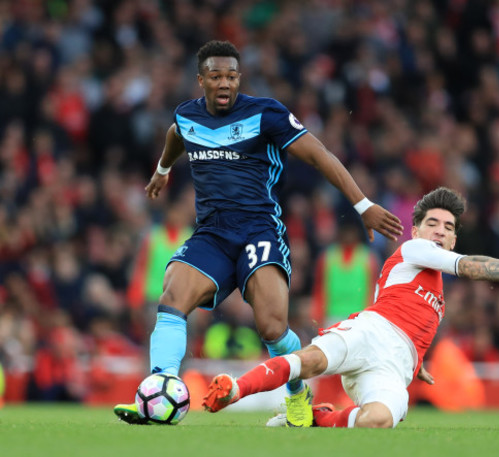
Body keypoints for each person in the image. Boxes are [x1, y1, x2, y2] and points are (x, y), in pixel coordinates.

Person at [113, 40, 403, 426]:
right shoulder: (186, 117)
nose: (224, 84)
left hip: (258, 231)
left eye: (231, 76)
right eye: (215, 76)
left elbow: (319, 155)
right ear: (201, 80)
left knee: (271, 327)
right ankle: (158, 391)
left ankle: (298, 394)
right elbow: (175, 134)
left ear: (239, 78)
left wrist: (363, 205)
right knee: (171, 297)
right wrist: (163, 170)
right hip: (212, 235)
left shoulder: (265, 114)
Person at [202, 187, 499, 428]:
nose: (439, 230)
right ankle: (233, 390)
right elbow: (470, 267)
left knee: (379, 420)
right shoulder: (415, 250)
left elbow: (413, 325)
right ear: (416, 230)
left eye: (448, 227)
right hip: (371, 332)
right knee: (312, 361)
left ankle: (314, 419)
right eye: (432, 223)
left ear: (453, 237)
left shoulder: (435, 292)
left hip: (394, 366)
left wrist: (417, 363)